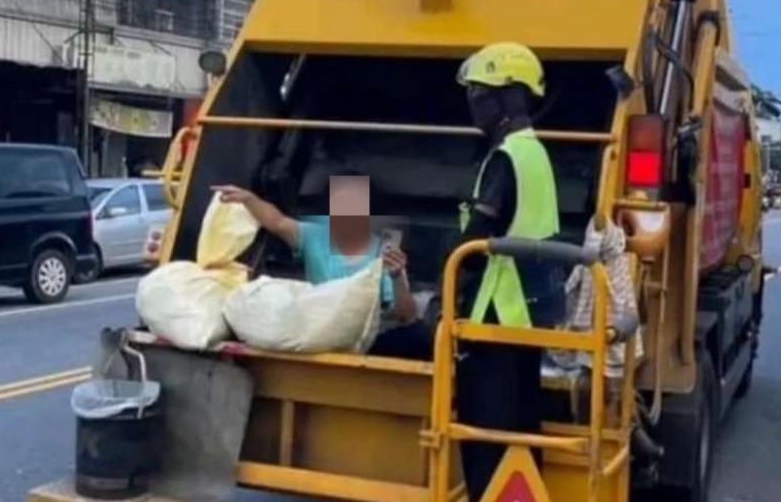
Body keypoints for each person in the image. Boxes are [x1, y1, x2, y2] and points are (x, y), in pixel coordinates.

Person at [453, 41, 564, 499]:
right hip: (529, 320)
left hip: (497, 317)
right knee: (522, 427)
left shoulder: (505, 159)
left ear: (507, 98)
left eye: (480, 95)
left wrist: (445, 290)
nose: (473, 105)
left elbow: (476, 238)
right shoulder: (535, 153)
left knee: (487, 441)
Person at [214, 173, 434, 360]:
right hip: (319, 327)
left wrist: (396, 276)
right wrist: (249, 199)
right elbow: (277, 221)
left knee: (418, 337)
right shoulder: (314, 235)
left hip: (365, 337)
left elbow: (406, 314)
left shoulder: (383, 251)